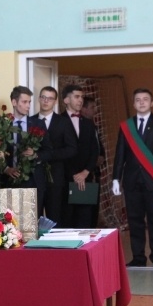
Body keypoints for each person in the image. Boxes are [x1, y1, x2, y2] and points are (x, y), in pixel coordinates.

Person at [112, 88, 153, 268]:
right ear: (134, 104)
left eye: (145, 99)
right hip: (132, 181)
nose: (141, 102)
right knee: (135, 220)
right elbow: (120, 154)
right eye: (138, 100)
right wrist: (116, 178)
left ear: (152, 103)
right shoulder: (126, 126)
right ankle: (138, 258)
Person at [2, 86, 53, 217]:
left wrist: (35, 154)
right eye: (24, 102)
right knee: (10, 222)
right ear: (14, 102)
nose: (28, 105)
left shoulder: (38, 124)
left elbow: (49, 151)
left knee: (32, 221)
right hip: (9, 178)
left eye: (29, 102)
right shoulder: (3, 124)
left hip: (33, 179)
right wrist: (6, 168)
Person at [37, 86, 77, 226]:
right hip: (35, 178)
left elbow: (72, 149)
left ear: (55, 101)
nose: (46, 101)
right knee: (33, 216)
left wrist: (47, 155)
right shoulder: (30, 120)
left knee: (55, 217)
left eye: (50, 98)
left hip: (56, 177)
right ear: (39, 99)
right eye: (43, 97)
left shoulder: (63, 122)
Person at [61, 85, 99, 228]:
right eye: (77, 97)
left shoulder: (88, 123)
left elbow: (94, 151)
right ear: (66, 100)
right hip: (65, 180)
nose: (80, 100)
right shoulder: (58, 121)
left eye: (82, 97)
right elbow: (58, 151)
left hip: (86, 179)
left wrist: (85, 172)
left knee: (85, 221)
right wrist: (74, 175)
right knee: (66, 221)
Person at [81, 95, 106, 227]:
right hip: (84, 175)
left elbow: (97, 145)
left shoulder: (93, 126)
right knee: (86, 211)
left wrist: (101, 156)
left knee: (94, 209)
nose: (95, 110)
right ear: (83, 109)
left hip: (95, 173)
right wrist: (92, 160)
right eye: (92, 107)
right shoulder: (80, 126)